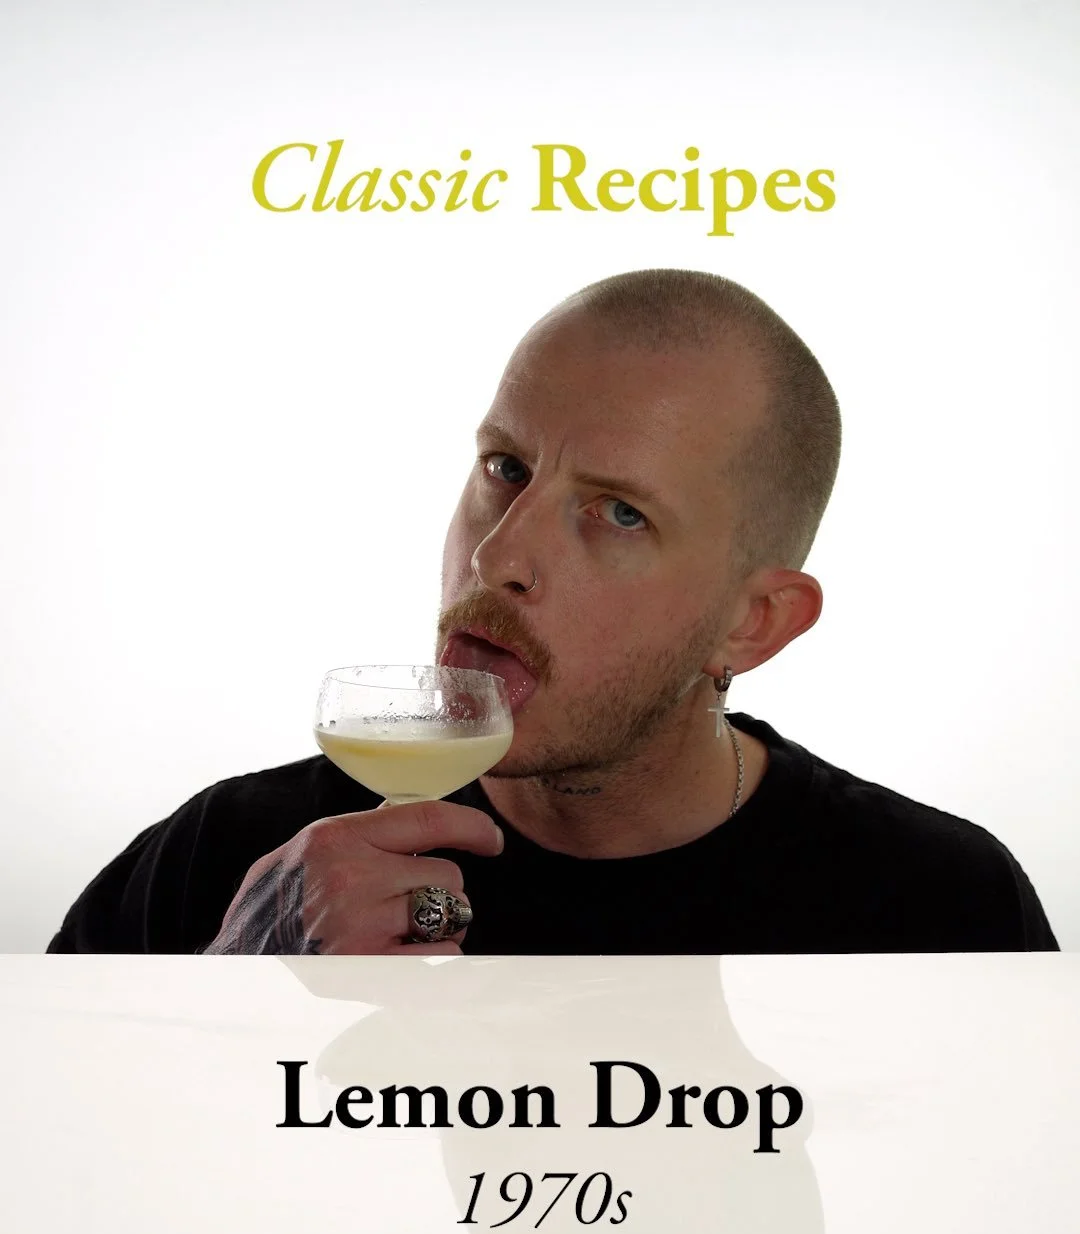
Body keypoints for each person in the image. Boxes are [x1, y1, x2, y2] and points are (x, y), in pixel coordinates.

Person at [47, 269, 1057, 956]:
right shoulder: (237, 862)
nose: (499, 556)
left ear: (754, 624)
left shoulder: (941, 910)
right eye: (505, 468)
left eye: (619, 513)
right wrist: (231, 999)